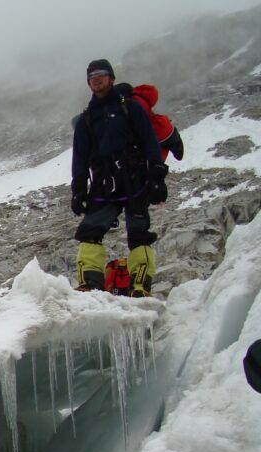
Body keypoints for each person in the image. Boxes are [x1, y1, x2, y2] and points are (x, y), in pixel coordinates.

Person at [70, 59, 168, 296]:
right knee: (89, 230)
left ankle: (140, 287)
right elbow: (80, 157)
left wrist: (156, 176)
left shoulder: (130, 108)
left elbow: (149, 141)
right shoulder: (86, 120)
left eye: (101, 75)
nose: (97, 79)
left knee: (139, 233)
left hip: (134, 178)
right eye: (92, 76)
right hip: (105, 183)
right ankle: (90, 286)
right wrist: (79, 189)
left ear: (111, 78)